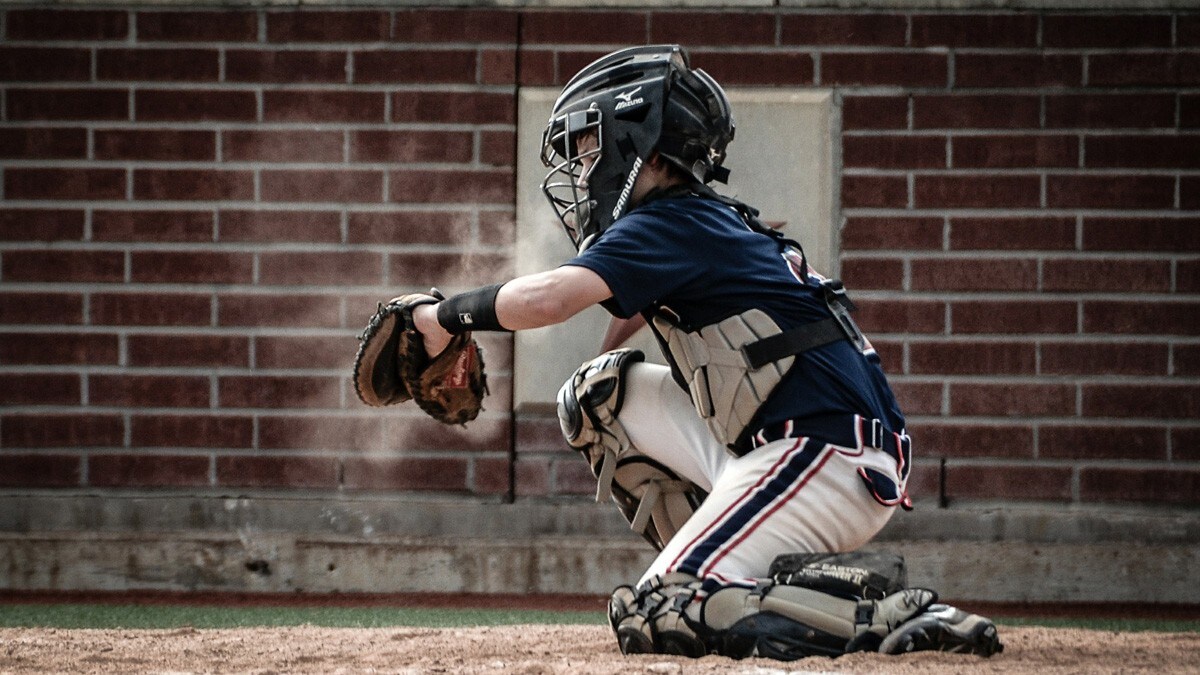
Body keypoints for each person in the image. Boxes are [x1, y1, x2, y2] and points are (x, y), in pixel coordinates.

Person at [409, 45, 1002, 661]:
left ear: (641, 144)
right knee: (595, 397)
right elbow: (631, 306)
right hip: (808, 445)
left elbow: (552, 299)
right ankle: (726, 571)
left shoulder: (671, 223)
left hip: (823, 457)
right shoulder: (699, 221)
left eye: (591, 147)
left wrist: (442, 317)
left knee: (658, 609)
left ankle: (876, 616)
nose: (584, 169)